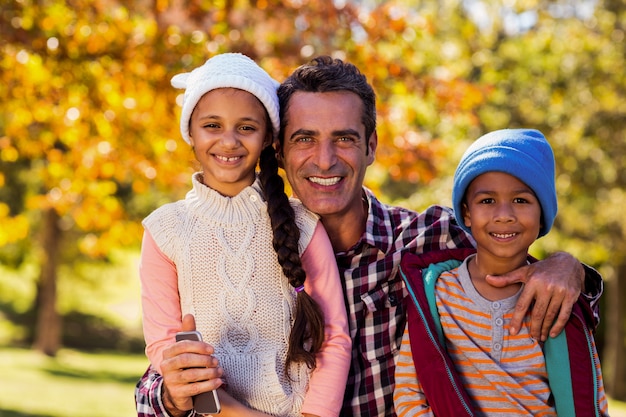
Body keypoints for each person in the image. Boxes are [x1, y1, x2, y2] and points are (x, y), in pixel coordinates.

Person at [135, 56, 603, 417]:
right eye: (304, 139)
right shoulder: (236, 246)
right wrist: (175, 396)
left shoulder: (427, 239)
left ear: (371, 147)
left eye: (343, 138)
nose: (324, 160)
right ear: (277, 151)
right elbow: (151, 389)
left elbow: (516, 263)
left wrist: (567, 267)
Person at [137, 53, 351, 417]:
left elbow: (333, 338)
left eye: (246, 128)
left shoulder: (302, 224)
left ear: (268, 137)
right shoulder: (164, 231)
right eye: (212, 125)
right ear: (190, 131)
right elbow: (162, 346)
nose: (229, 141)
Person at [393, 128, 609, 416]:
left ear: (542, 213)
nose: (504, 214)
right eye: (487, 201)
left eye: (521, 200)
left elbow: (589, 397)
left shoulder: (554, 298)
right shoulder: (438, 292)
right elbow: (410, 393)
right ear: (467, 213)